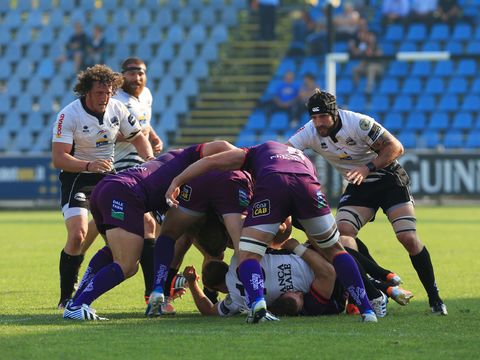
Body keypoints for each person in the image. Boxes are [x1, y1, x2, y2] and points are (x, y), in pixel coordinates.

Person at [165, 140, 378, 323]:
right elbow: (300, 194)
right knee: (337, 251)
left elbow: (210, 161)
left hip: (274, 183)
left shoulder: (253, 152)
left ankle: (257, 303)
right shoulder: (302, 157)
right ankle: (367, 309)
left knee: (247, 254)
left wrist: (177, 180)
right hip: (309, 185)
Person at [286, 89, 447, 315]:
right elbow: (286, 153)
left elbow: (396, 147)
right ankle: (373, 291)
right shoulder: (310, 132)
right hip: (360, 185)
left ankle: (434, 297)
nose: (318, 123)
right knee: (342, 235)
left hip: (389, 179)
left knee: (407, 238)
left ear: (335, 113)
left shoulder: (358, 123)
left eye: (323, 117)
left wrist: (367, 167)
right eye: (313, 118)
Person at [62, 140, 237, 320]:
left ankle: (76, 300)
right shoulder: (194, 159)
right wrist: (241, 159)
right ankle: (77, 305)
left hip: (108, 187)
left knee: (112, 252)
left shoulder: (178, 160)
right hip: (125, 193)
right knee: (128, 265)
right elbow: (222, 146)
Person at [52, 64, 155, 309]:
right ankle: (67, 296)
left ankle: (153, 295)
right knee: (78, 236)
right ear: (87, 91)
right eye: (100, 93)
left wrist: (150, 161)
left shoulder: (117, 108)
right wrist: (88, 165)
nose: (105, 98)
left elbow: (138, 136)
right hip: (77, 177)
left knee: (146, 224)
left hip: (108, 177)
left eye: (108, 92)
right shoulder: (69, 114)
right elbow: (59, 158)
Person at [145, 169, 254, 316]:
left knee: (215, 249)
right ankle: (161, 291)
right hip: (181, 192)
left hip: (207, 191)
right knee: (182, 239)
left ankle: (208, 293)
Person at [114, 57, 163, 304]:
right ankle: (155, 290)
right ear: (122, 75)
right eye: (132, 73)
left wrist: (152, 136)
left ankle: (156, 289)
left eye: (141, 73)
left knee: (154, 223)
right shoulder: (115, 101)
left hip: (142, 163)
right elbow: (107, 134)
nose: (137, 78)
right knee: (148, 224)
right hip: (119, 166)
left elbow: (145, 122)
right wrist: (135, 137)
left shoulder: (146, 95)